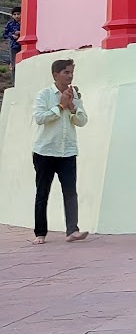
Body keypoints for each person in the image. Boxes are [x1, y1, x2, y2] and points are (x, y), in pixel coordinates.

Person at [32, 58, 89, 243]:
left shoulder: (75, 95)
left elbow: (82, 121)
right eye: (66, 72)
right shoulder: (44, 94)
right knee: (42, 193)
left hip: (68, 151)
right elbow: (40, 118)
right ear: (56, 74)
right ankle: (40, 233)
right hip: (45, 152)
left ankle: (72, 230)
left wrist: (72, 107)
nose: (70, 76)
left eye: (72, 72)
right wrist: (60, 106)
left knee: (70, 191)